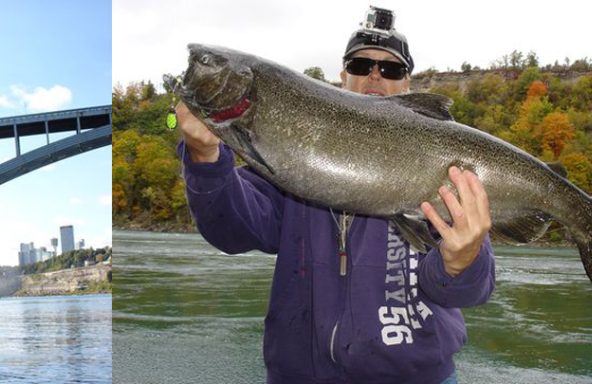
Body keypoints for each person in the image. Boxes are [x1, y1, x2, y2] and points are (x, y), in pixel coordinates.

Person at [175, 7, 494, 384]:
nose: (374, 75)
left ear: (407, 84)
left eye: (390, 69)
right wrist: (206, 158)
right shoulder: (291, 159)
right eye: (361, 66)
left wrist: (460, 262)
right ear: (342, 76)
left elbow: (473, 289)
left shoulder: (441, 169)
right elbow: (230, 231)